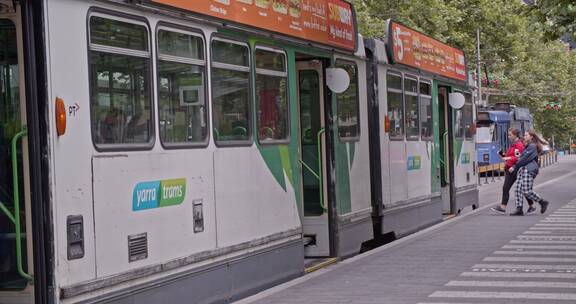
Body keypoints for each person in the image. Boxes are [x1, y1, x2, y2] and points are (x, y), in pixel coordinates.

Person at [490, 128, 535, 215]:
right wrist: (502, 155)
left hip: (515, 170)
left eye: (510, 135)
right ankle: (503, 207)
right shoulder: (513, 145)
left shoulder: (519, 145)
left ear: (515, 135)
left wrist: (512, 165)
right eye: (508, 134)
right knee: (508, 188)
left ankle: (531, 206)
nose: (508, 136)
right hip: (509, 169)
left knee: (518, 189)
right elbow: (510, 156)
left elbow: (520, 158)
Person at [508, 130, 550, 216]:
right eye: (524, 135)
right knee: (518, 189)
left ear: (531, 137)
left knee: (526, 191)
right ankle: (519, 209)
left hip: (529, 169)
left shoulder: (532, 146)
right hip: (522, 170)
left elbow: (524, 159)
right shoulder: (527, 146)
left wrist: (514, 167)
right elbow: (521, 157)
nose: (524, 136)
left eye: (526, 135)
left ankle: (542, 202)